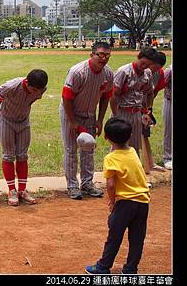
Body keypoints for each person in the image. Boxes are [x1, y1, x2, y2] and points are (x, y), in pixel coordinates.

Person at [85, 117, 150, 275]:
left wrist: (112, 202)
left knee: (114, 235)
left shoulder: (110, 158)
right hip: (143, 202)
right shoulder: (133, 151)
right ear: (130, 136)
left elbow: (111, 184)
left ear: (106, 138)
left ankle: (103, 266)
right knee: (137, 239)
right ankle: (130, 269)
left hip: (125, 203)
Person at [60, 41, 114, 200]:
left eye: (107, 56)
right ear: (92, 55)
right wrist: (73, 122)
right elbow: (66, 98)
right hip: (70, 112)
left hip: (90, 114)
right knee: (71, 150)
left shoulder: (108, 74)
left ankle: (87, 183)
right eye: (101, 55)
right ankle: (72, 186)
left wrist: (99, 120)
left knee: (88, 148)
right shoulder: (78, 72)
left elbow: (106, 97)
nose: (104, 58)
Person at [0, 69, 48, 206]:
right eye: (36, 91)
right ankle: (12, 190)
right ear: (28, 85)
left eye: (41, 90)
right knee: (8, 155)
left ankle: (22, 190)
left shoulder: (41, 88)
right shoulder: (12, 86)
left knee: (22, 155)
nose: (39, 95)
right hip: (6, 119)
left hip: (24, 121)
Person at [110, 47, 157, 158]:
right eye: (143, 63)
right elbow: (113, 95)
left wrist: (148, 111)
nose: (144, 66)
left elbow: (150, 93)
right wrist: (116, 116)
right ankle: (115, 172)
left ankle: (133, 171)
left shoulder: (148, 73)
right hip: (122, 112)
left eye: (148, 65)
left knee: (135, 146)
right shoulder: (124, 72)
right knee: (118, 145)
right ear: (138, 57)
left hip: (137, 113)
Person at [162, 64, 172, 170]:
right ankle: (167, 157)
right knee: (169, 130)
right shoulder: (170, 70)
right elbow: (161, 84)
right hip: (170, 101)